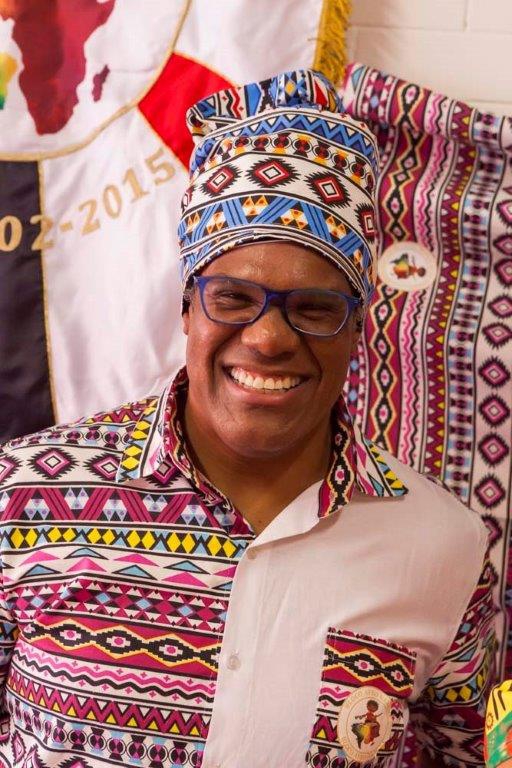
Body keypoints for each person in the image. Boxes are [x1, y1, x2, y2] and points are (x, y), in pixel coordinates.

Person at [0, 70, 496, 768]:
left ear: (358, 329)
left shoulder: (446, 545)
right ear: (186, 308)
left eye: (315, 308)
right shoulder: (22, 494)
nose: (267, 338)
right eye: (233, 298)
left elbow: (469, 754)